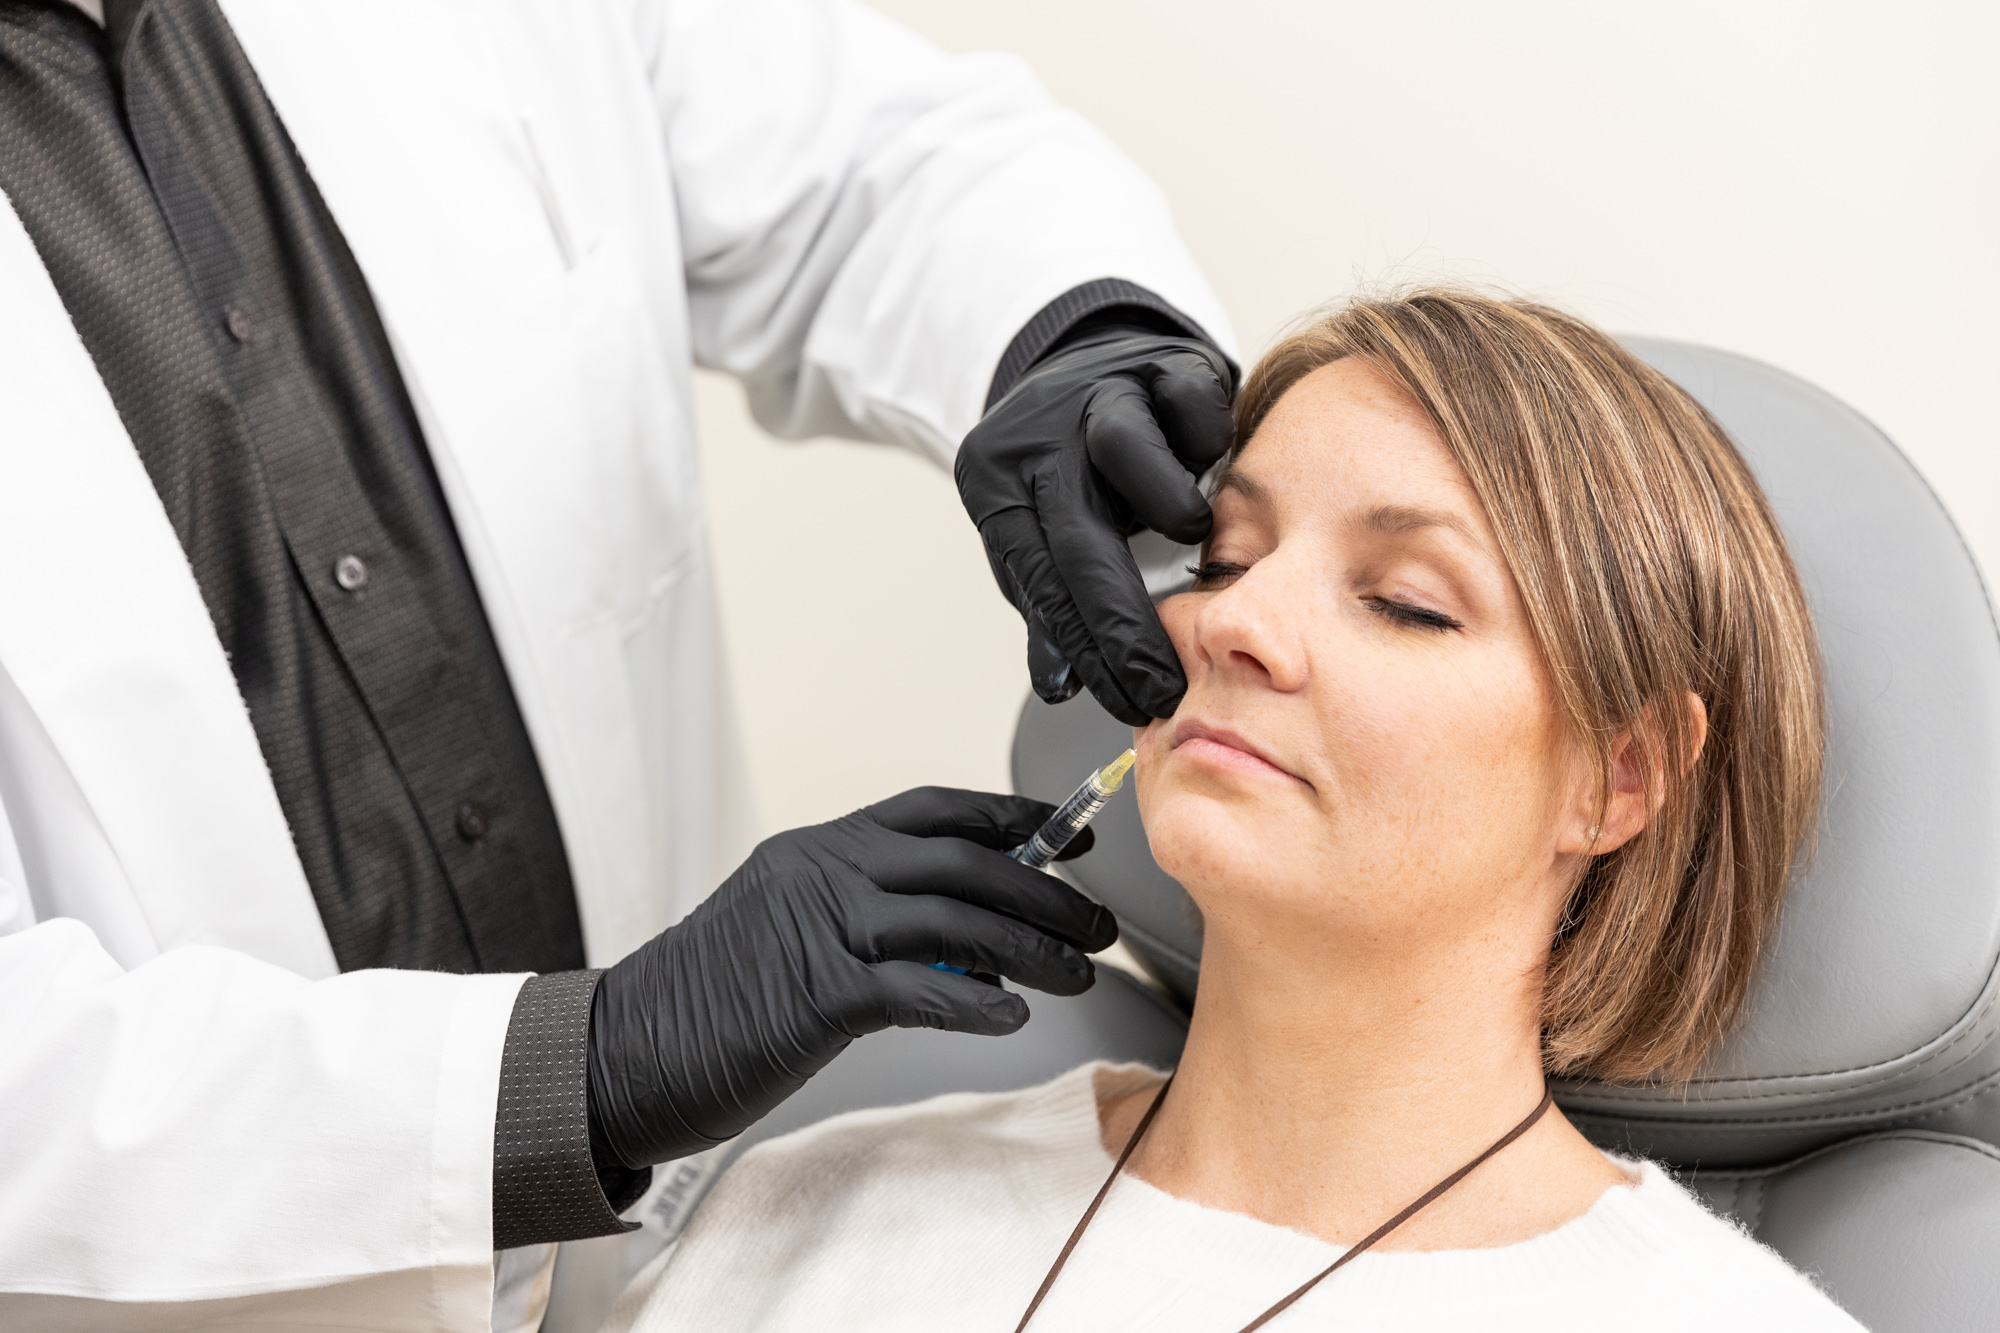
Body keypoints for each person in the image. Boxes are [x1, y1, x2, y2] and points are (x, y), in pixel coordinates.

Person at [0, 0, 1240, 1328]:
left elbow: (873, 166)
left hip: (675, 1255)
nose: (1247, 629)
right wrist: (574, 1074)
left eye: (1404, 601)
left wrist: (1074, 332)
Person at [600, 290, 1865, 1331]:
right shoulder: (818, 1203)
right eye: (1224, 560)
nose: (1228, 622)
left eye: (1406, 600)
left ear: (1619, 773)